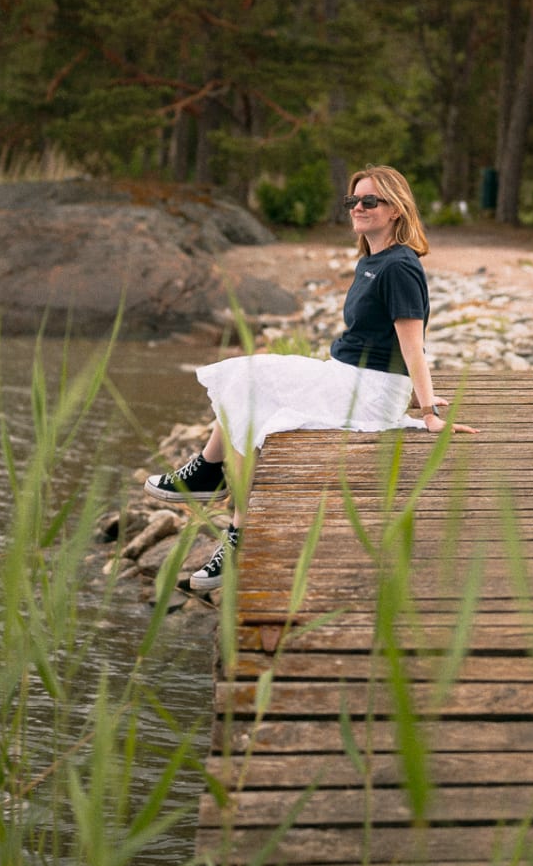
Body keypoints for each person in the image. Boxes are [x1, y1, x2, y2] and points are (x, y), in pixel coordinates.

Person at [145, 164, 477, 591]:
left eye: (369, 201)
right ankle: (223, 503)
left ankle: (220, 498)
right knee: (251, 380)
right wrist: (412, 396)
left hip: (366, 390)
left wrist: (428, 410)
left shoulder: (399, 267)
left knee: (251, 382)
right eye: (352, 200)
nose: (358, 207)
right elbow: (385, 343)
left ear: (395, 208)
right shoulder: (372, 261)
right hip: (350, 378)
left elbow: (414, 343)